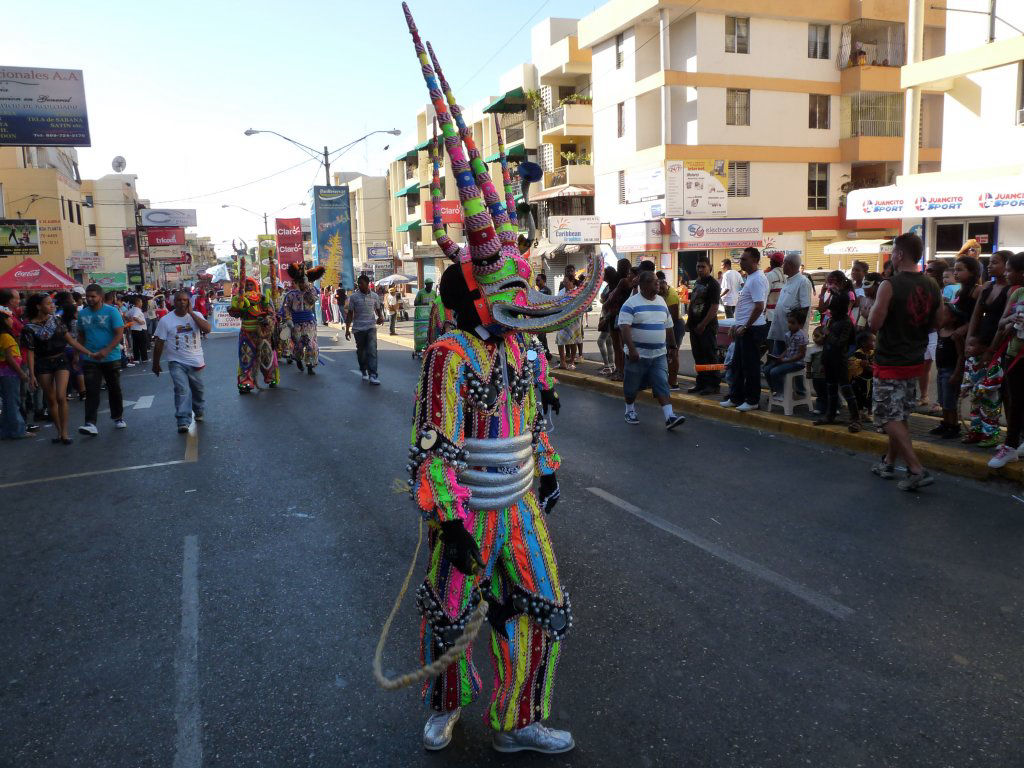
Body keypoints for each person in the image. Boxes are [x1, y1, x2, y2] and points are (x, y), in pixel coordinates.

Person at [400, 17, 599, 750]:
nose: (521, 296)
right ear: (471, 295)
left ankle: (520, 719)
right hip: (469, 509)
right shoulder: (452, 354)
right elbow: (431, 441)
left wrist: (546, 468)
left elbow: (538, 420)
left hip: (517, 506)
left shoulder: (523, 352)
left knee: (544, 606)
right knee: (449, 612)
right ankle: (444, 704)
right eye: (501, 284)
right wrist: (447, 516)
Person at [868, 233, 941, 491]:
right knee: (899, 415)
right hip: (914, 359)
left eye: (893, 253)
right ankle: (889, 462)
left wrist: (871, 310)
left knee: (886, 416)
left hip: (890, 359)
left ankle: (916, 469)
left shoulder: (890, 285)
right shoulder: (932, 285)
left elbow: (874, 323)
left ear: (899, 255)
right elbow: (937, 322)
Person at [617, 270, 687, 429]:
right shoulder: (631, 303)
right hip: (637, 355)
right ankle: (629, 409)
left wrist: (673, 345)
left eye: (658, 281)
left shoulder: (662, 302)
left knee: (661, 383)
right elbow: (624, 327)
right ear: (642, 285)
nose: (658, 284)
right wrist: (632, 349)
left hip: (658, 355)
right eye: (653, 282)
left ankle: (669, 416)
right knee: (631, 386)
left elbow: (668, 326)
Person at [963, 250, 1011, 445]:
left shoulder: (1012, 290)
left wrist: (990, 350)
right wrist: (969, 340)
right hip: (979, 343)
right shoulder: (987, 287)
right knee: (976, 391)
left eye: (995, 262)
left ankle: (990, 432)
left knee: (990, 392)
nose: (990, 266)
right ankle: (975, 430)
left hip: (997, 347)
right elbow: (976, 315)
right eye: (989, 262)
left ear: (1008, 266)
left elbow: (1004, 325)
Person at [152, 290, 211, 433]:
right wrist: (156, 363)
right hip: (176, 361)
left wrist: (191, 314)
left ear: (189, 302)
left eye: (185, 300)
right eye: (178, 300)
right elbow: (159, 342)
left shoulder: (196, 315)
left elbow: (207, 329)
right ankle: (183, 420)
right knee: (181, 389)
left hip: (195, 361)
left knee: (198, 389)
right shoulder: (166, 320)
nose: (182, 302)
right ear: (173, 302)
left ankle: (199, 410)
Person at [985, 252, 1024, 468]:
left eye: (1010, 270)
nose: (1007, 274)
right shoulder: (1016, 293)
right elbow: (1002, 325)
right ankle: (1010, 446)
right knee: (1015, 400)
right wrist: (1012, 320)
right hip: (1014, 356)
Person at [721, 247, 768, 411]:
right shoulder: (750, 277)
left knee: (750, 366)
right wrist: (736, 324)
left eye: (745, 259)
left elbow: (759, 307)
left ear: (755, 261)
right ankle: (736, 397)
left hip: (752, 329)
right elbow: (745, 306)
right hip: (743, 327)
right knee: (737, 365)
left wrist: (745, 326)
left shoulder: (757, 279)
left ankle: (752, 400)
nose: (741, 261)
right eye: (741, 259)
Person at [76, 284, 127, 436]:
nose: (90, 299)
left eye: (93, 296)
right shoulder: (82, 314)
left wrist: (106, 350)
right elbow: (81, 336)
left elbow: (119, 333)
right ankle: (90, 423)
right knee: (91, 390)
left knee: (114, 388)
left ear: (100, 296)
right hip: (90, 358)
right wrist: (78, 354)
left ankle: (118, 417)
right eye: (88, 296)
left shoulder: (112, 311)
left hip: (111, 357)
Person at [813, 292, 861, 432]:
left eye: (833, 309)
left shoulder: (846, 323)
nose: (831, 311)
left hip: (839, 360)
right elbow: (827, 342)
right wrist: (823, 359)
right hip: (828, 359)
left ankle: (855, 418)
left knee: (846, 389)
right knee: (831, 389)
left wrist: (829, 334)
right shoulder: (832, 320)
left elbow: (841, 343)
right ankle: (830, 415)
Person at [229, 272, 279, 393]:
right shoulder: (240, 299)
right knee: (246, 357)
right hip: (246, 333)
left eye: (251, 284)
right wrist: (235, 308)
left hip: (263, 332)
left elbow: (272, 314)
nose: (249, 287)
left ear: (256, 286)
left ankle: (271, 378)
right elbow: (235, 313)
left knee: (267, 356)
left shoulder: (263, 298)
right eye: (247, 285)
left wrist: (266, 320)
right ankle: (245, 381)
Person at [686, 255, 721, 394]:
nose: (700, 269)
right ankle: (701, 382)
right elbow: (693, 302)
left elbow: (714, 307)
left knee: (710, 355)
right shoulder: (698, 282)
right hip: (695, 326)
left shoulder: (713, 284)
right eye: (698, 266)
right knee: (698, 355)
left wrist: (703, 324)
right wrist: (689, 322)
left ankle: (713, 385)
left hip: (707, 327)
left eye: (703, 267)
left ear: (710, 268)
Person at [281, 263, 324, 374]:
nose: (301, 283)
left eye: (303, 281)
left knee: (311, 345)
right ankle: (298, 359)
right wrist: (289, 319)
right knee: (298, 346)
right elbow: (286, 308)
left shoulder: (311, 291)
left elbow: (313, 300)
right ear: (296, 282)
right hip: (295, 324)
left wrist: (308, 287)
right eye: (300, 281)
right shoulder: (290, 295)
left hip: (309, 323)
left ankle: (310, 366)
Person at [767, 253, 812, 357]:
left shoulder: (803, 282)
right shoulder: (789, 280)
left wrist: (797, 332)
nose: (782, 266)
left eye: (784, 263)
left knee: (786, 363)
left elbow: (805, 308)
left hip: (792, 334)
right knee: (776, 359)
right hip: (781, 331)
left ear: (790, 265)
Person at [344, 273, 384, 384]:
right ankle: (363, 370)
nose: (359, 285)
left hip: (371, 327)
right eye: (358, 283)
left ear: (367, 284)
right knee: (361, 353)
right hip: (358, 329)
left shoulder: (375, 296)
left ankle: (373, 375)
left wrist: (380, 317)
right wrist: (347, 329)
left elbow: (378, 310)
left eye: (361, 283)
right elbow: (350, 314)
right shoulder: (354, 297)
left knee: (372, 351)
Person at [0, 307, 33, 439]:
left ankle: (6, 430)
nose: (11, 320)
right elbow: (10, 358)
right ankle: (18, 430)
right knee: (13, 401)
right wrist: (21, 373)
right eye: (8, 318)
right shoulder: (6, 337)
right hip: (10, 373)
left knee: (8, 402)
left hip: (3, 373)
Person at [763, 311, 807, 395]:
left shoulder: (801, 336)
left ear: (800, 325)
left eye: (793, 323)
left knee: (774, 372)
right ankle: (774, 390)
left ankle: (781, 392)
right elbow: (788, 349)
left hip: (797, 363)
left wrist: (785, 361)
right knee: (766, 369)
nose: (789, 325)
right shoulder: (788, 334)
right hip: (787, 360)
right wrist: (780, 357)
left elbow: (801, 354)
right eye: (789, 322)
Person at [657, 270, 683, 390]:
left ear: (665, 284)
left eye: (661, 287)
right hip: (667, 326)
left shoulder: (671, 296)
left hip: (675, 326)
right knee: (666, 354)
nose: (659, 290)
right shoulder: (661, 294)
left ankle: (673, 383)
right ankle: (667, 380)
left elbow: (670, 320)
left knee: (673, 353)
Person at [554, 273, 581, 369]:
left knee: (573, 341)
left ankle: (572, 361)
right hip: (562, 319)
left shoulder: (578, 291)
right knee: (560, 341)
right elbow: (556, 303)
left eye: (566, 282)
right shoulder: (561, 292)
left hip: (574, 319)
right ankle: (562, 361)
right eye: (564, 282)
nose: (564, 283)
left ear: (572, 281)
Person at [596, 266, 618, 375]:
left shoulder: (614, 287)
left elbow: (611, 302)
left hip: (608, 316)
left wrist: (606, 317)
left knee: (601, 341)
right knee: (609, 342)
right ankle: (611, 365)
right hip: (606, 314)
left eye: (605, 274)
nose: (603, 276)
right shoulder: (609, 286)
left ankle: (607, 366)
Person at [850, 330, 876, 416]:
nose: (875, 343)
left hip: (870, 379)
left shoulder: (872, 353)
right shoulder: (859, 353)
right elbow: (868, 367)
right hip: (860, 380)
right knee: (860, 396)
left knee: (870, 395)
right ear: (864, 343)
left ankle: (869, 412)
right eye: (873, 341)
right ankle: (860, 412)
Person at [764, 252, 786, 335]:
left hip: (771, 315)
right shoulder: (787, 275)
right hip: (784, 314)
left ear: (771, 262)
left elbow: (765, 295)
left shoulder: (769, 275)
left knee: (771, 340)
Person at [413, 278, 435, 357]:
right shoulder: (420, 293)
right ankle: (418, 348)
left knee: (430, 332)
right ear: (426, 285)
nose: (431, 286)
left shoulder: (434, 293)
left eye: (432, 284)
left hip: (431, 316)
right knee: (421, 333)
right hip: (422, 317)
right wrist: (423, 303)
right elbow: (415, 303)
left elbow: (436, 304)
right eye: (429, 285)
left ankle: (430, 346)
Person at [126, 297, 148, 363]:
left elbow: (125, 315)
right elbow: (135, 317)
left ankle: (136, 359)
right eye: (141, 302)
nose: (142, 303)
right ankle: (144, 359)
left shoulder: (132, 309)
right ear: (138, 303)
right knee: (143, 344)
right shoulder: (137, 310)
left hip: (134, 329)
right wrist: (140, 322)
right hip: (140, 329)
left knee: (135, 344)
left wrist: (129, 320)